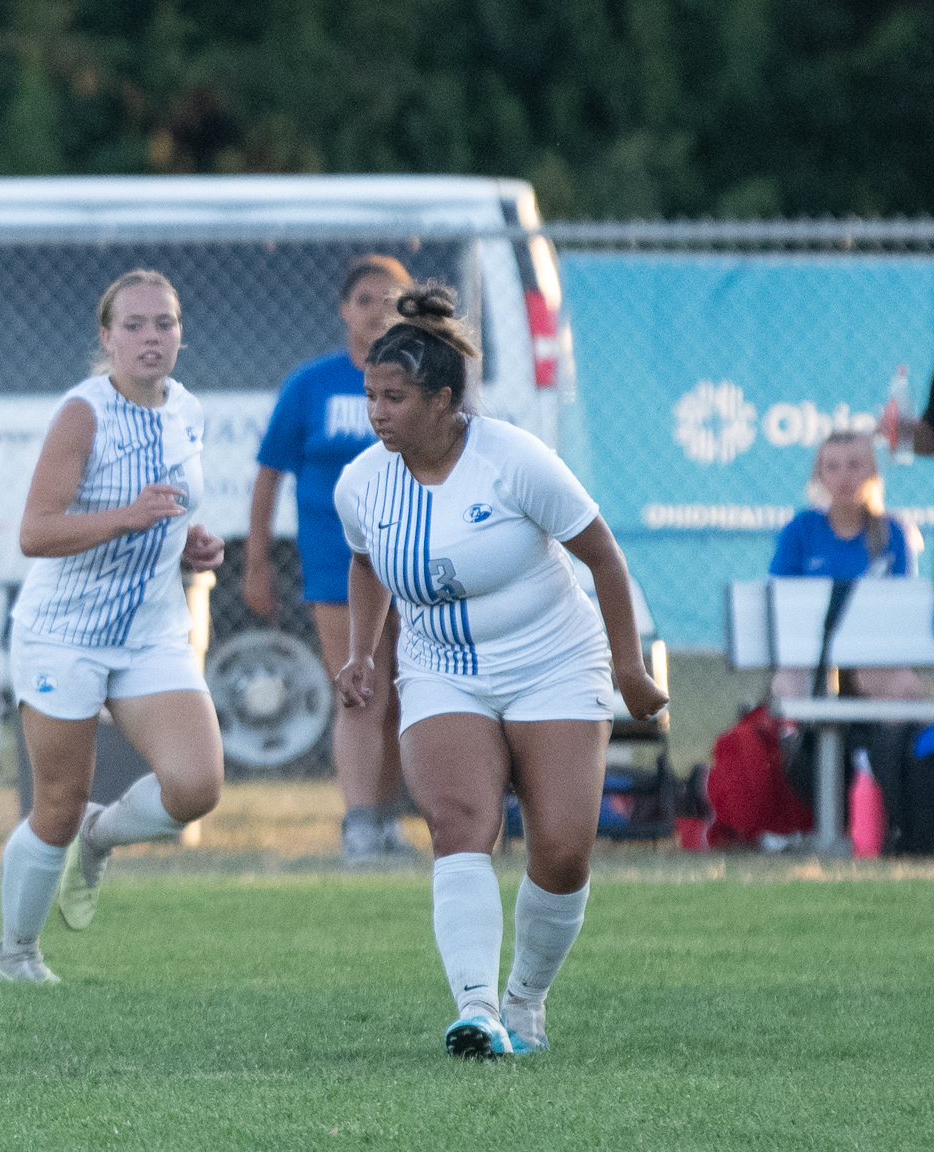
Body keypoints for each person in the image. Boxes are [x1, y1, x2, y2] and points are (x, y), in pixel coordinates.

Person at [332, 283, 667, 1058]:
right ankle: (477, 1008)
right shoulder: (363, 483)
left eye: (396, 397)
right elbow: (365, 561)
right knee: (460, 825)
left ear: (446, 400)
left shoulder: (514, 460)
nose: (377, 412)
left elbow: (604, 560)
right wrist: (360, 652)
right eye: (371, 396)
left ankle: (526, 1001)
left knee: (560, 850)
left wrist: (628, 667)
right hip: (442, 671)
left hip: (555, 663)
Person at [0, 269, 227, 985]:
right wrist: (128, 517)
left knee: (196, 786)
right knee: (54, 805)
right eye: (134, 325)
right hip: (63, 631)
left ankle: (104, 832)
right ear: (107, 337)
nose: (151, 338)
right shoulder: (82, 414)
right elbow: (36, 532)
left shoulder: (187, 409)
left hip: (153, 628)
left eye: (165, 323)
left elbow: (172, 510)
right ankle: (17, 953)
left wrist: (192, 541)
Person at [245, 254, 415, 866]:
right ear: (344, 310)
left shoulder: (421, 380)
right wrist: (257, 561)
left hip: (412, 565)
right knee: (360, 689)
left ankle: (390, 820)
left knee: (404, 693)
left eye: (392, 298)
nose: (378, 311)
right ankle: (359, 824)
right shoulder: (310, 384)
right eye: (365, 299)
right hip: (336, 564)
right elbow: (268, 476)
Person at [768, 429, 924, 701]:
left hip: (874, 652)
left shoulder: (892, 533)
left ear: (872, 472)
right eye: (832, 467)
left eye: (854, 465)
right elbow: (779, 599)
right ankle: (800, 743)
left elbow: (903, 610)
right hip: (811, 651)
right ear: (819, 475)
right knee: (788, 684)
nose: (844, 477)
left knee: (904, 686)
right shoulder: (800, 530)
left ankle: (884, 745)